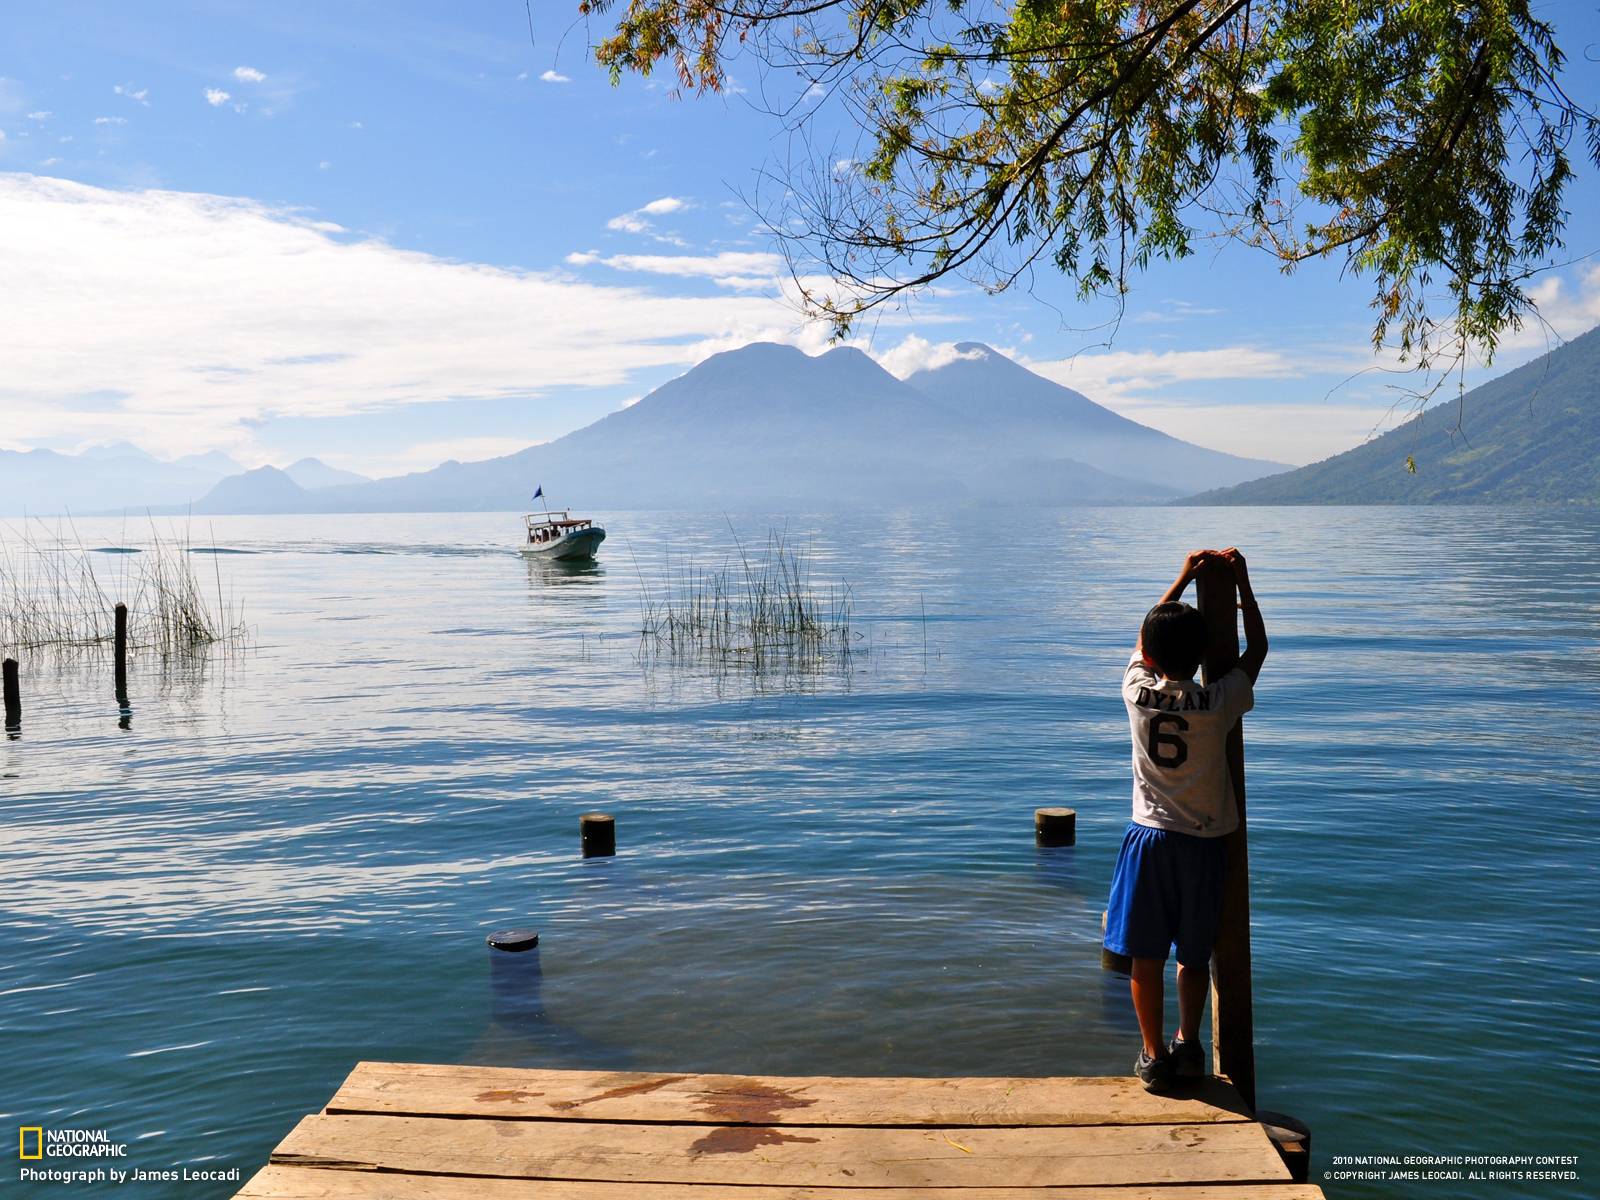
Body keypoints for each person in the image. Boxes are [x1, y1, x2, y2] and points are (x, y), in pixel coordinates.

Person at [1103, 547, 1267, 1093]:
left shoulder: (1137, 694)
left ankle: (1153, 1057)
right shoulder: (1219, 701)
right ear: (1202, 657)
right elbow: (1259, 649)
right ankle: (1190, 1044)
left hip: (1148, 840)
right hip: (1204, 843)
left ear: (1150, 654)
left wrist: (1180, 578)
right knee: (1193, 957)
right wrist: (1241, 585)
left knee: (1144, 957)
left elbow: (1142, 640)